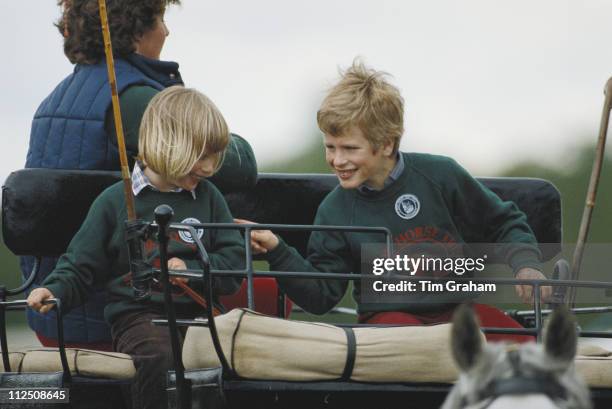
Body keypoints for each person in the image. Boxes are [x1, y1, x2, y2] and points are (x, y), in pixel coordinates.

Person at [239, 60, 551, 343]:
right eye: (330, 147)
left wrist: (526, 266)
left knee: (529, 351)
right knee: (410, 345)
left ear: (386, 144)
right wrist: (277, 250)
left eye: (349, 148)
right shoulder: (335, 209)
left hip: (458, 312)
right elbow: (322, 296)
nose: (337, 160)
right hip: (388, 322)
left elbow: (504, 223)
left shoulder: (440, 175)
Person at [23, 0, 256, 349]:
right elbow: (244, 168)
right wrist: (205, 128)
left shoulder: (57, 97)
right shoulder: (129, 98)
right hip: (118, 312)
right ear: (133, 28)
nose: (166, 30)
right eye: (160, 18)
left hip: (56, 305)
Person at [27, 86, 244, 409]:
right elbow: (80, 265)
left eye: (214, 156)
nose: (210, 168)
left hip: (202, 316)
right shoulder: (115, 200)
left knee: (228, 354)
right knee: (159, 355)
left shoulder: (210, 198)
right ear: (167, 145)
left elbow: (233, 264)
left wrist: (193, 271)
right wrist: (54, 290)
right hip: (140, 316)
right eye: (201, 156)